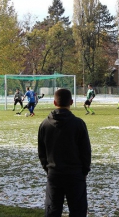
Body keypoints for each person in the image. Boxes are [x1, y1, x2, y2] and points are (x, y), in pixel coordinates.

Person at [38, 88, 91, 217]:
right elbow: (85, 151)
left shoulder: (45, 124)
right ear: (71, 102)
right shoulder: (78, 124)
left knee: (52, 211)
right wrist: (84, 171)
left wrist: (48, 168)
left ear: (54, 103)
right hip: (75, 174)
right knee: (78, 211)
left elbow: (42, 152)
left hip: (54, 174)